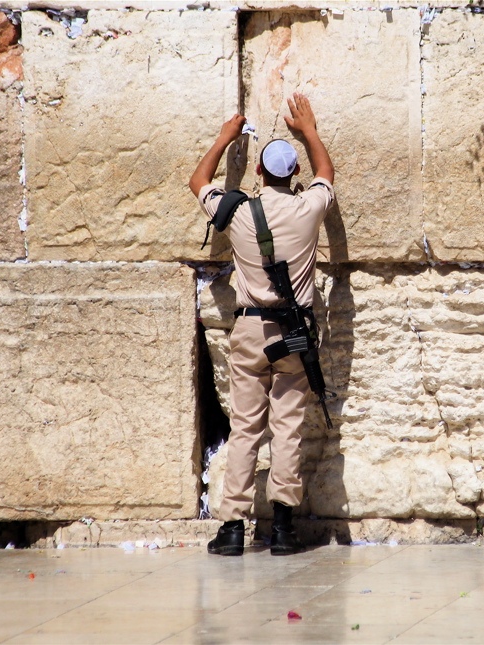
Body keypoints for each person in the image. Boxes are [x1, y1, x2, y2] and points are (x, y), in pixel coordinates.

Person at [189, 93, 335, 556]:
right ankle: (284, 529)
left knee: (245, 427)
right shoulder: (308, 208)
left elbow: (198, 181)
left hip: (251, 330)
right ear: (294, 174)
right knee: (287, 426)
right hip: (293, 334)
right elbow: (327, 176)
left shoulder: (234, 212)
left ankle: (233, 528)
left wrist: (225, 137)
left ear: (258, 173)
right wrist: (310, 131)